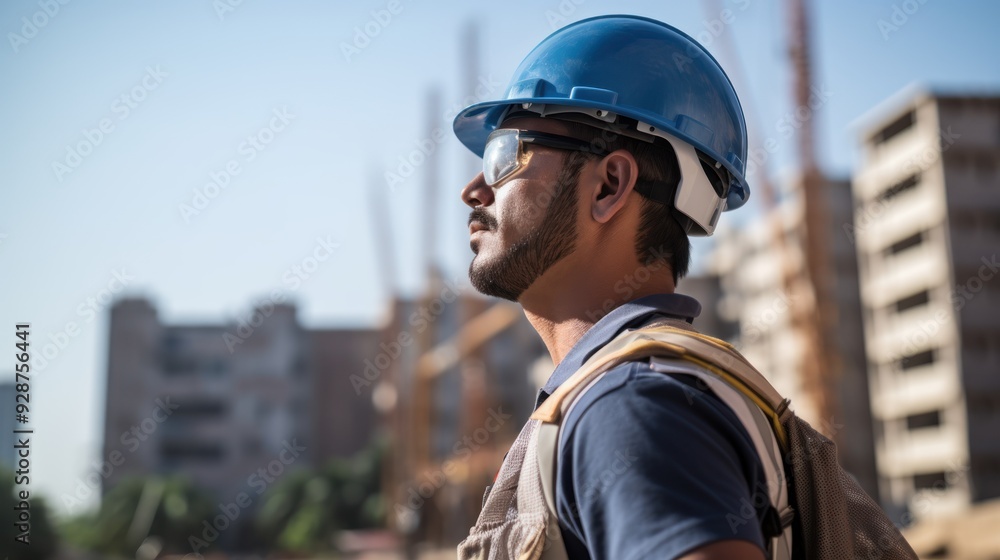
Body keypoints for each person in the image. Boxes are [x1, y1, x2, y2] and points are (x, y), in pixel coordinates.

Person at [452, 15, 771, 560]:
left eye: (504, 153)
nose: (473, 189)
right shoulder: (650, 390)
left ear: (609, 185)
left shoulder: (632, 404)